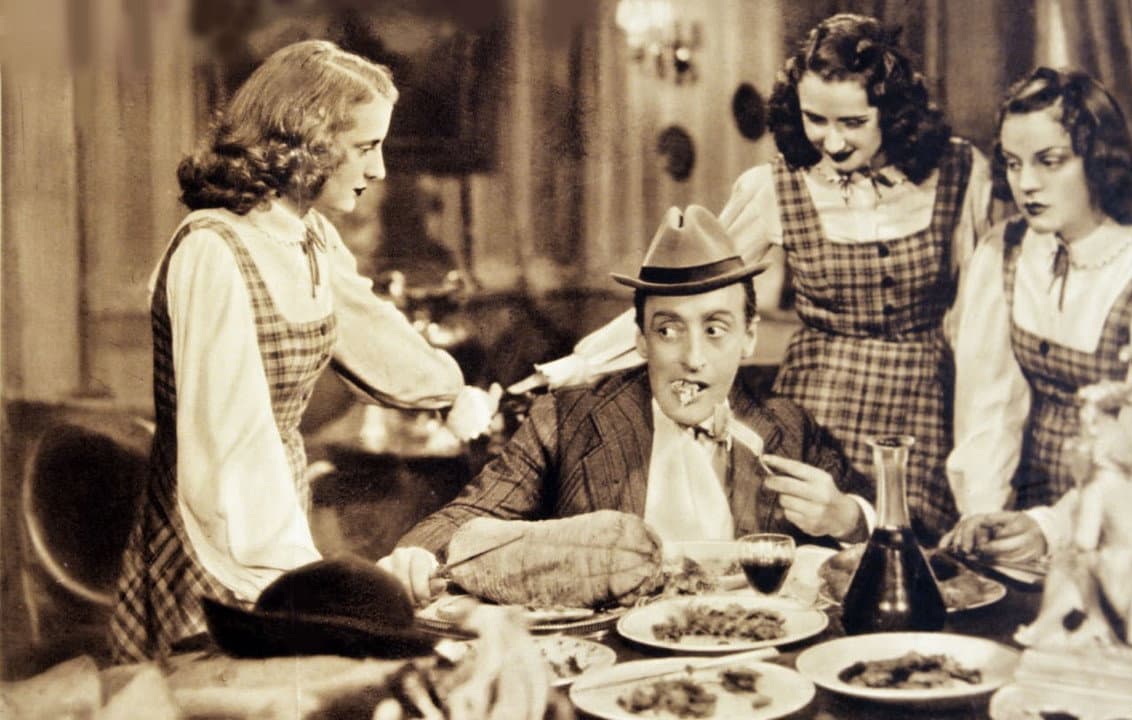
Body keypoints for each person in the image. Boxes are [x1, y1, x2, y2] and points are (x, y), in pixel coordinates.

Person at [529, 13, 1000, 545]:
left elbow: (980, 322)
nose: (832, 142)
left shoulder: (961, 173)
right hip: (819, 407)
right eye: (815, 119)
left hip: (926, 407)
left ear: (893, 111)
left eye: (852, 122)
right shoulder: (775, 186)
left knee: (908, 551)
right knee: (803, 551)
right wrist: (577, 365)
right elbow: (688, 289)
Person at [108, 40, 498, 662]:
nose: (380, 170)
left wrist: (449, 391)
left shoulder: (307, 234)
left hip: (277, 500)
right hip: (219, 529)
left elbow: (367, 325)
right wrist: (293, 576)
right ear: (309, 142)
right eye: (366, 147)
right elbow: (229, 445)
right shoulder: (214, 251)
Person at [391, 205, 876, 568]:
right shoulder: (566, 421)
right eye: (668, 330)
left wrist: (848, 518)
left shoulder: (789, 427)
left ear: (748, 337)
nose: (693, 357)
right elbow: (465, 517)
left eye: (715, 329)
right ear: (641, 340)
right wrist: (413, 560)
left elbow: (888, 525)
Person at [942, 67, 1132, 562]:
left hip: (1121, 528)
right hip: (1020, 518)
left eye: (1050, 161)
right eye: (1014, 163)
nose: (1026, 184)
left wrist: (1051, 527)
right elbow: (989, 407)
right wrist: (983, 511)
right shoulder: (1005, 250)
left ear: (1099, 160)